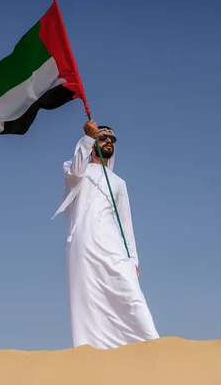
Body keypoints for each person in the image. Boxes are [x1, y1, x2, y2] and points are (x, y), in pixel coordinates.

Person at [52, 119, 160, 349]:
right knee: (88, 301)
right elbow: (74, 171)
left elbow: (125, 224)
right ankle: (91, 352)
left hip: (113, 246)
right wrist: (87, 138)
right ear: (93, 142)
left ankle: (151, 348)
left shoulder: (118, 183)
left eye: (112, 138)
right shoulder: (75, 170)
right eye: (103, 137)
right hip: (83, 244)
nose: (108, 141)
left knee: (130, 293)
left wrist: (133, 259)